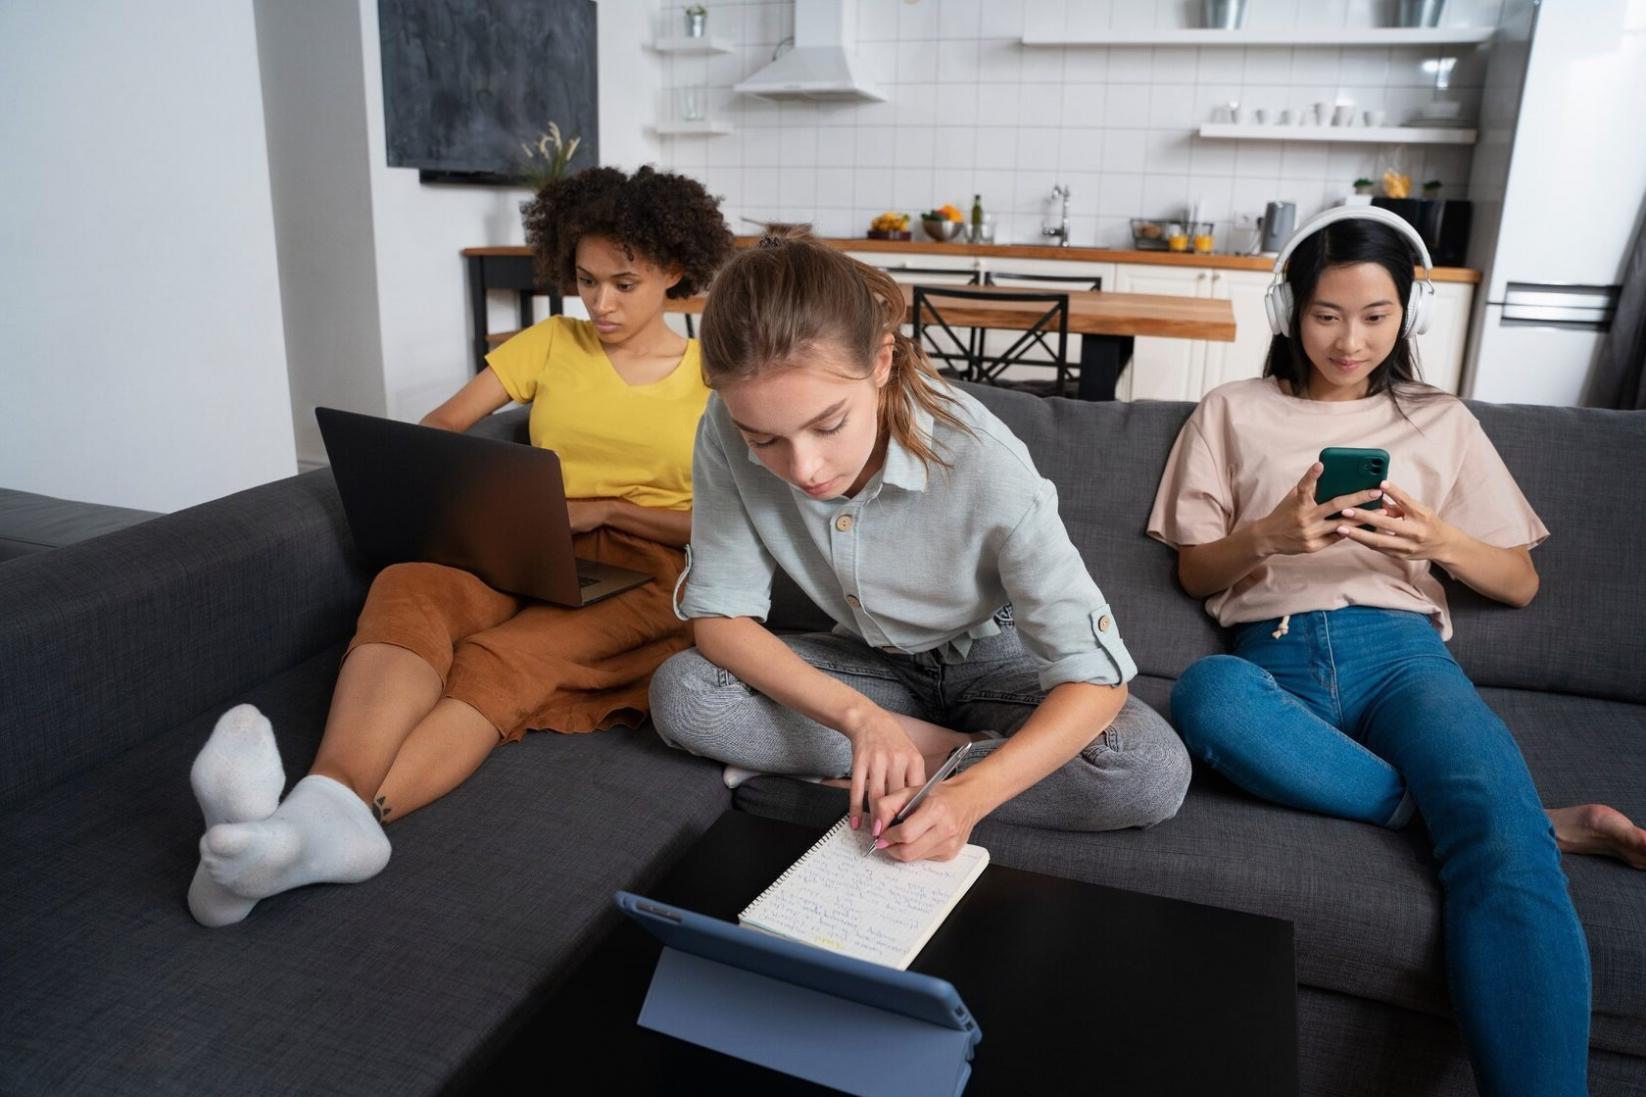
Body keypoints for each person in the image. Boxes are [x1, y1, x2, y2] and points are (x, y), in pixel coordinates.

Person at [1151, 206, 1646, 1096]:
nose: (1350, 340)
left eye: (1377, 315)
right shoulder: (1229, 410)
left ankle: (1520, 833)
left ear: (1407, 316)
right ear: (1290, 310)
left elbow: (1521, 581)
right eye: (1327, 314)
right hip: (1272, 659)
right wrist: (1272, 535)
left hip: (1404, 656)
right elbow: (1194, 569)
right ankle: (1544, 818)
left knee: (1502, 848)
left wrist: (1435, 540)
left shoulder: (1439, 419)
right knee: (1204, 696)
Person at [186, 166, 734, 926]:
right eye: (585, 279)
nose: (599, 304)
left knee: (503, 657)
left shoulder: (718, 376)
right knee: (408, 588)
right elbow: (442, 429)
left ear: (675, 271)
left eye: (624, 283)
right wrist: (480, 493)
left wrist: (608, 507)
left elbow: (734, 520)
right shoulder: (550, 342)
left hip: (647, 566)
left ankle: (325, 826)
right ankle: (297, 824)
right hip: (524, 536)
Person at [648, 230, 1191, 863]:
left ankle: (924, 762)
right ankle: (936, 747)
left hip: (996, 662)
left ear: (880, 363)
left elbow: (1095, 681)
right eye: (764, 440)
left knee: (1146, 770)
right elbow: (719, 620)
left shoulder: (987, 463)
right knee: (686, 695)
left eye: (828, 424)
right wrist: (861, 721)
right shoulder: (723, 427)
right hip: (868, 669)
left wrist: (971, 798)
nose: (804, 468)